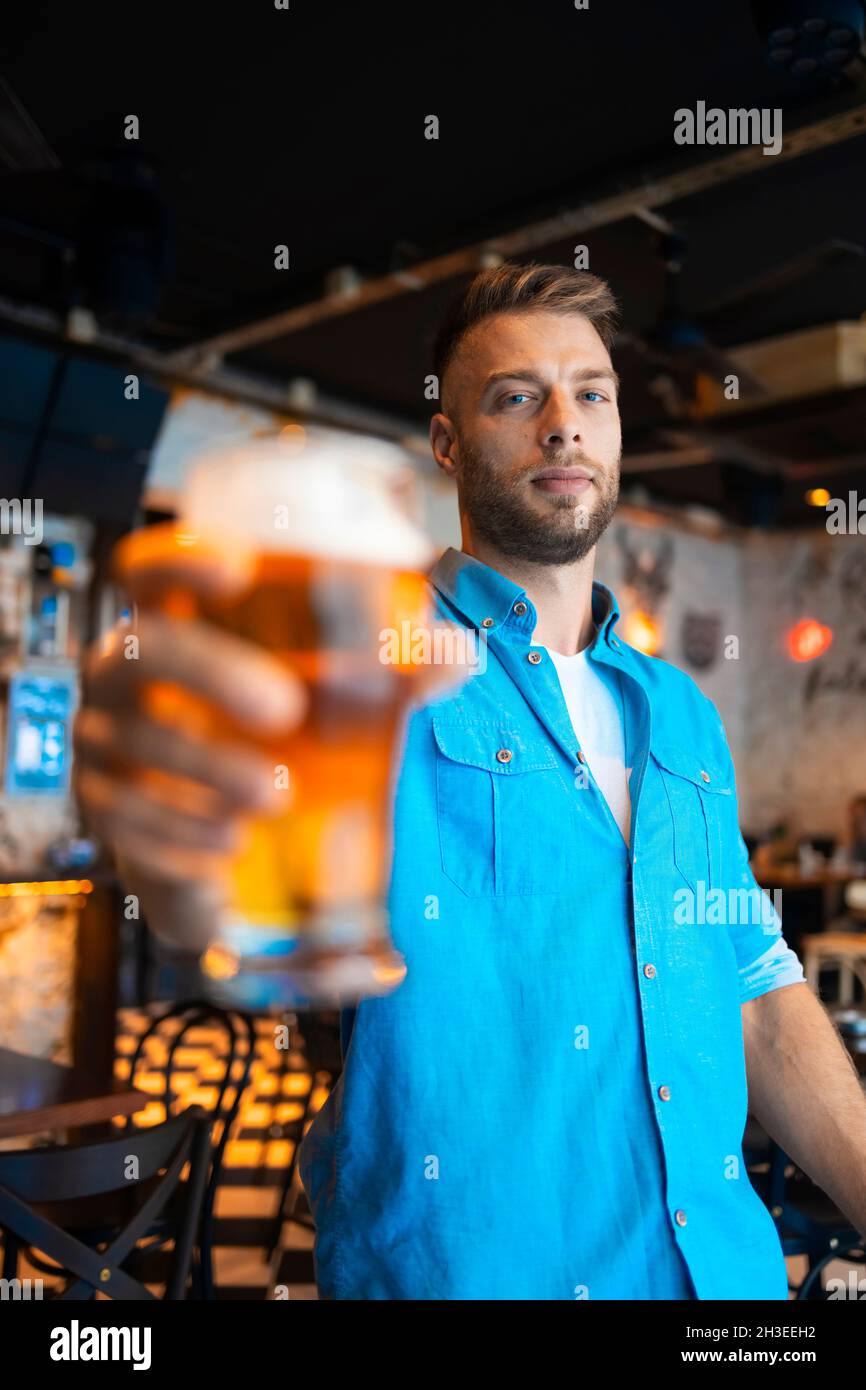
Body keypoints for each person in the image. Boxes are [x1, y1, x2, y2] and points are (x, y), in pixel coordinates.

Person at [74, 262, 866, 1300]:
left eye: (591, 392)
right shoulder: (372, 664)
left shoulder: (681, 712)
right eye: (514, 395)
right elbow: (239, 835)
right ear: (446, 442)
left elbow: (753, 988)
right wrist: (173, 775)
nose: (562, 424)